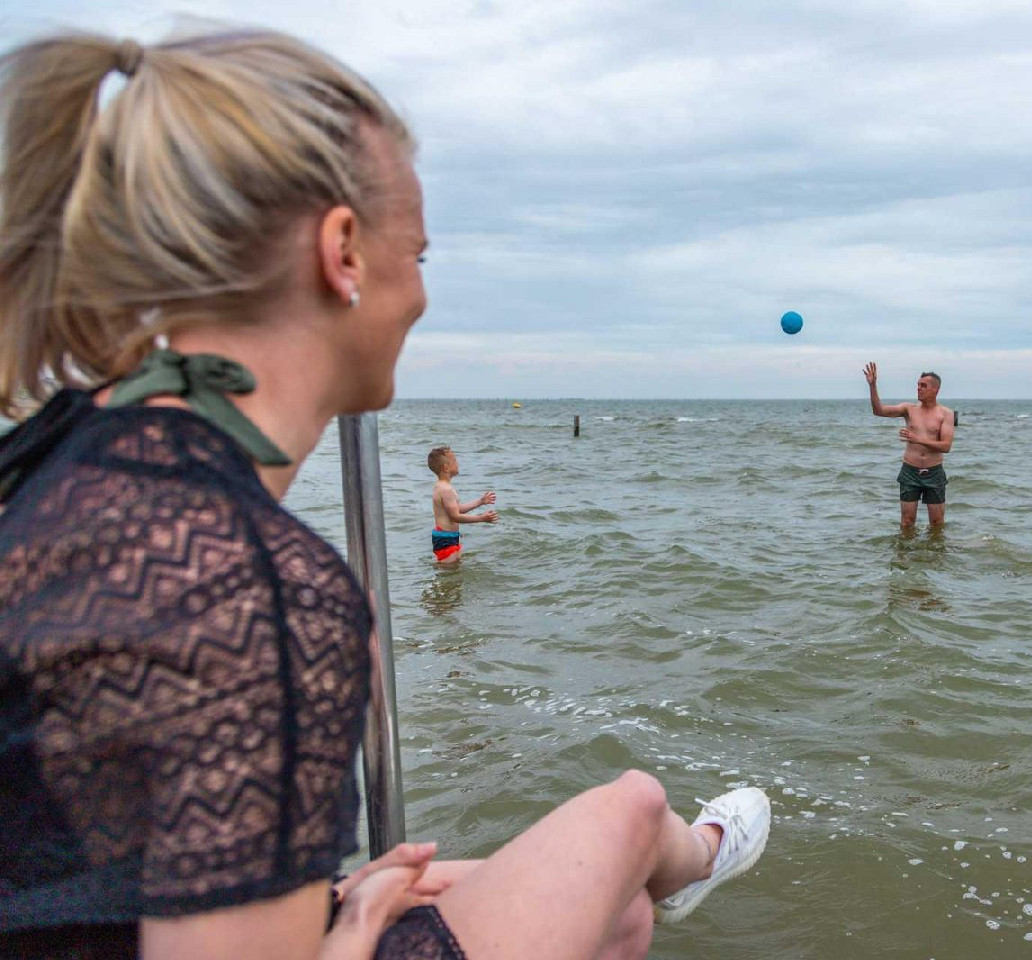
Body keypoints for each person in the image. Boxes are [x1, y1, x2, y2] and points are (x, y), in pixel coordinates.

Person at [0, 28, 768, 960]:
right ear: (344, 253)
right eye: (423, 256)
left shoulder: (53, 449)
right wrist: (353, 924)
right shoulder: (255, 593)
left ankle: (673, 872)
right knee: (634, 809)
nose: (421, 300)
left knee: (624, 906)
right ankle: (699, 852)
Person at [863, 362, 954, 529]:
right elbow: (879, 411)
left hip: (934, 472)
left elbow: (946, 446)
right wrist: (873, 385)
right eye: (918, 385)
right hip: (910, 471)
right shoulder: (909, 409)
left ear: (935, 390)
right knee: (907, 522)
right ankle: (906, 554)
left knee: (937, 523)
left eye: (923, 386)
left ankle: (935, 554)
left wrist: (917, 438)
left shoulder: (946, 414)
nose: (918, 388)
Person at [428, 445, 497, 563]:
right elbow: (455, 516)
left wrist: (480, 502)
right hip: (446, 540)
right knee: (448, 573)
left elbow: (457, 509)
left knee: (453, 572)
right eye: (454, 461)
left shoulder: (443, 486)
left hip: (449, 537)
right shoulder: (445, 489)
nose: (457, 463)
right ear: (446, 467)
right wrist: (481, 518)